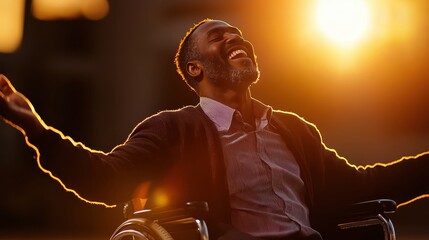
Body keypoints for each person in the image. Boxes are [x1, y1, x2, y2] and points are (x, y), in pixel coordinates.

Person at [0, 18, 428, 240]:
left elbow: (364, 183)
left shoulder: (295, 132)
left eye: (238, 34)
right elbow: (103, 180)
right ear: (195, 68)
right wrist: (34, 128)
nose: (235, 38)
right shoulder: (174, 129)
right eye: (218, 37)